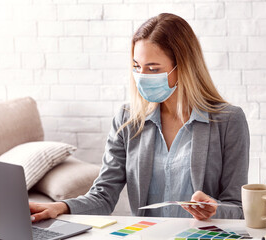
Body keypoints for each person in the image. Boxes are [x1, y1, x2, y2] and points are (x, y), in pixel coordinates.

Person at [29, 13, 250, 222]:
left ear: (183, 68)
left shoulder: (228, 121)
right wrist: (60, 207)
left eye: (153, 69)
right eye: (137, 67)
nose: (142, 77)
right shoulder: (127, 120)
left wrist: (214, 209)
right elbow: (103, 196)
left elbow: (237, 207)